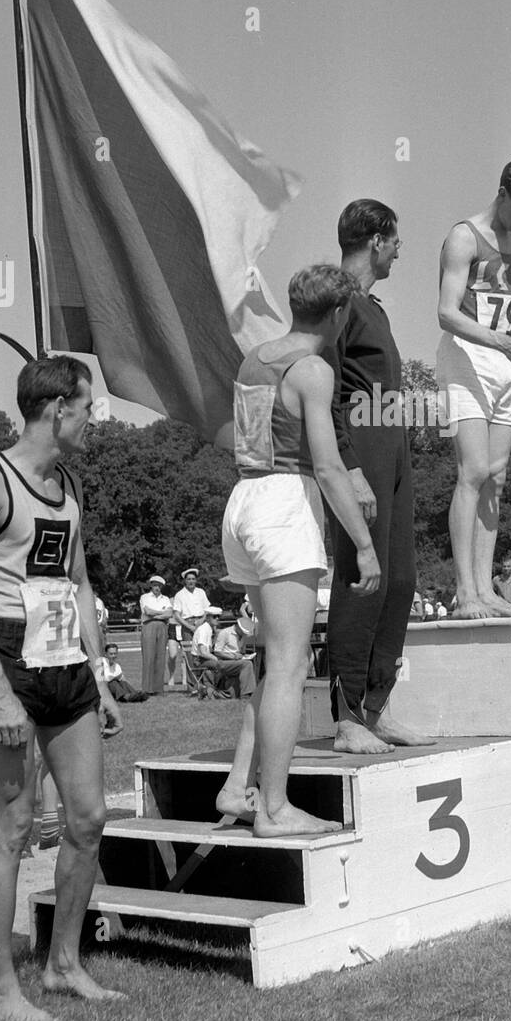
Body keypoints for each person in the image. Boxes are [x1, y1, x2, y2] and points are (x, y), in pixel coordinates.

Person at [0, 354, 125, 1021]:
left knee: (87, 818)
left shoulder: (69, 483)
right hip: (9, 662)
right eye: (87, 408)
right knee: (12, 825)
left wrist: (101, 676)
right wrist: (1, 693)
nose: (92, 420)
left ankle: (64, 964)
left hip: (67, 663)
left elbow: (76, 583)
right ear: (57, 409)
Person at [217, 265, 382, 837]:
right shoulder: (314, 369)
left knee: (274, 661)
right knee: (290, 665)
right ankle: (276, 809)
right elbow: (329, 465)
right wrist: (364, 546)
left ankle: (239, 787)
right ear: (338, 316)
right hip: (285, 503)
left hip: (242, 500)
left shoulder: (255, 357)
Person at [324, 199, 433, 754]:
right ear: (375, 239)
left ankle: (376, 709)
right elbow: (326, 395)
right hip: (361, 455)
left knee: (399, 582)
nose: (399, 249)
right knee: (360, 580)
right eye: (395, 239)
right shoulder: (337, 299)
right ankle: (345, 718)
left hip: (393, 450)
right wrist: (349, 469)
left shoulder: (375, 307)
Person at [438, 157, 511, 619]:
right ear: (503, 192)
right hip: (466, 360)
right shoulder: (464, 236)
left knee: (497, 479)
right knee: (472, 471)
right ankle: (465, 592)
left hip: (504, 363)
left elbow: (497, 312)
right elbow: (448, 312)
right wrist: (506, 339)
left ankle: (487, 590)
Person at [190, 606, 256, 699]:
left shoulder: (208, 629)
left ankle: (207, 692)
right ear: (207, 617)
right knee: (247, 664)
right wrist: (219, 659)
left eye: (218, 616)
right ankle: (247, 695)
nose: (217, 619)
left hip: (210, 660)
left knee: (233, 694)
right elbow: (203, 652)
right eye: (214, 617)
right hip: (204, 661)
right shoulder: (203, 630)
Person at [172, 569, 211, 690]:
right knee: (190, 656)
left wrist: (201, 621)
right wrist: (190, 626)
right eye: (188, 579)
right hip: (187, 625)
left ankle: (206, 683)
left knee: (204, 653)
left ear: (196, 580)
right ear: (185, 580)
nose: (191, 581)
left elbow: (207, 609)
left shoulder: (201, 592)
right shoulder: (180, 595)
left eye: (193, 579)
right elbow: (176, 615)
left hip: (202, 623)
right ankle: (193, 686)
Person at [138, 575, 172, 694]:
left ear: (162, 587)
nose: (157, 587)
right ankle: (147, 689)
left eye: (159, 585)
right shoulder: (145, 597)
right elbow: (147, 611)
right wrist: (161, 612)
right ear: (151, 585)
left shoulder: (166, 599)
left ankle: (158, 688)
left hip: (162, 627)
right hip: (149, 626)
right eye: (155, 585)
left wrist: (156, 614)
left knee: (160, 657)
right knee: (148, 657)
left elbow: (169, 614)